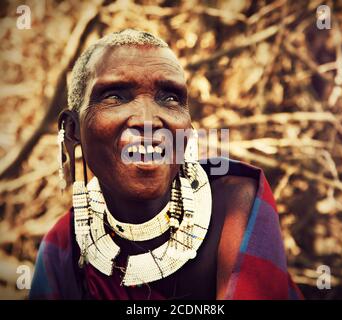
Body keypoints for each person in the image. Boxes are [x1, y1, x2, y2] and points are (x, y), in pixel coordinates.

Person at [29, 29, 302, 300]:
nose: (148, 120)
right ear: (73, 130)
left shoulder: (234, 204)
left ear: (188, 129)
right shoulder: (64, 246)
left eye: (169, 98)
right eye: (115, 96)